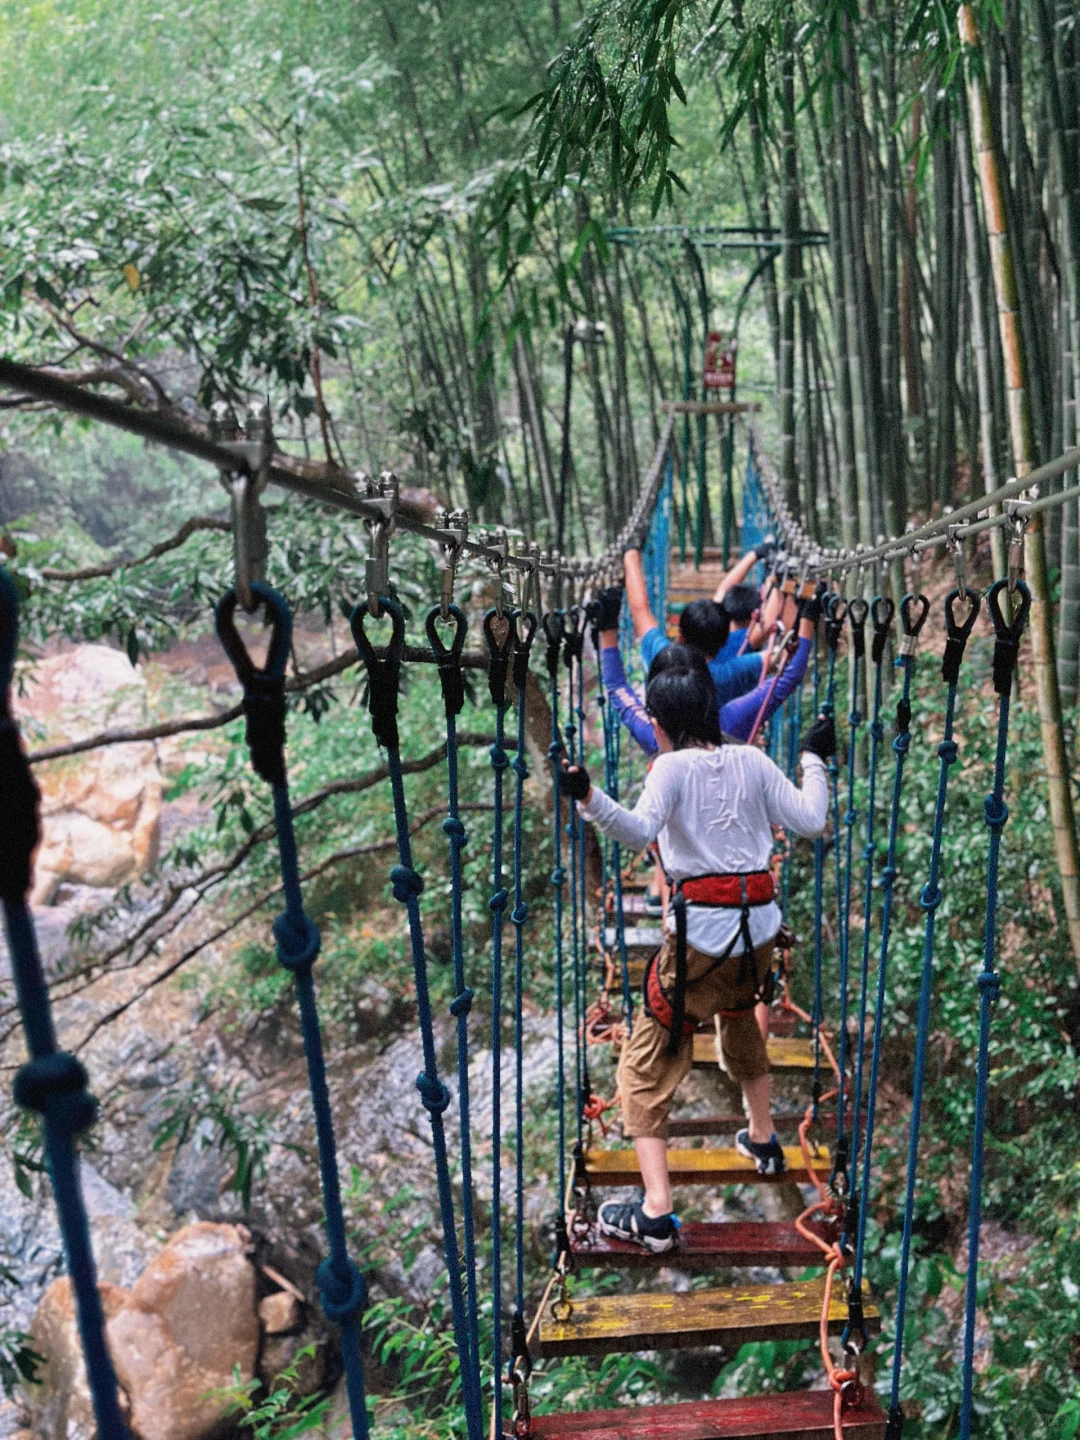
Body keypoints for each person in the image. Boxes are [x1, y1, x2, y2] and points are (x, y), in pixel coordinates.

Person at [560, 668, 834, 1254]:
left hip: (701, 942)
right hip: (759, 932)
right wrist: (813, 758)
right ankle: (762, 1138)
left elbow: (636, 833)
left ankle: (656, 1214)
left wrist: (587, 796)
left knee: (646, 1058)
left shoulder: (670, 767)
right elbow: (811, 820)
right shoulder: (754, 761)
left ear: (659, 727)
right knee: (738, 1012)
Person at [595, 586, 821, 751]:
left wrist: (607, 628)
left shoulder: (654, 735)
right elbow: (789, 676)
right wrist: (809, 615)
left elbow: (617, 688)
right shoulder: (728, 723)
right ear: (706, 682)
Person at [622, 547, 765, 708]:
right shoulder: (730, 670)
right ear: (724, 641)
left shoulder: (662, 654)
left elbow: (640, 610)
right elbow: (778, 657)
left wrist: (630, 555)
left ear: (680, 634)